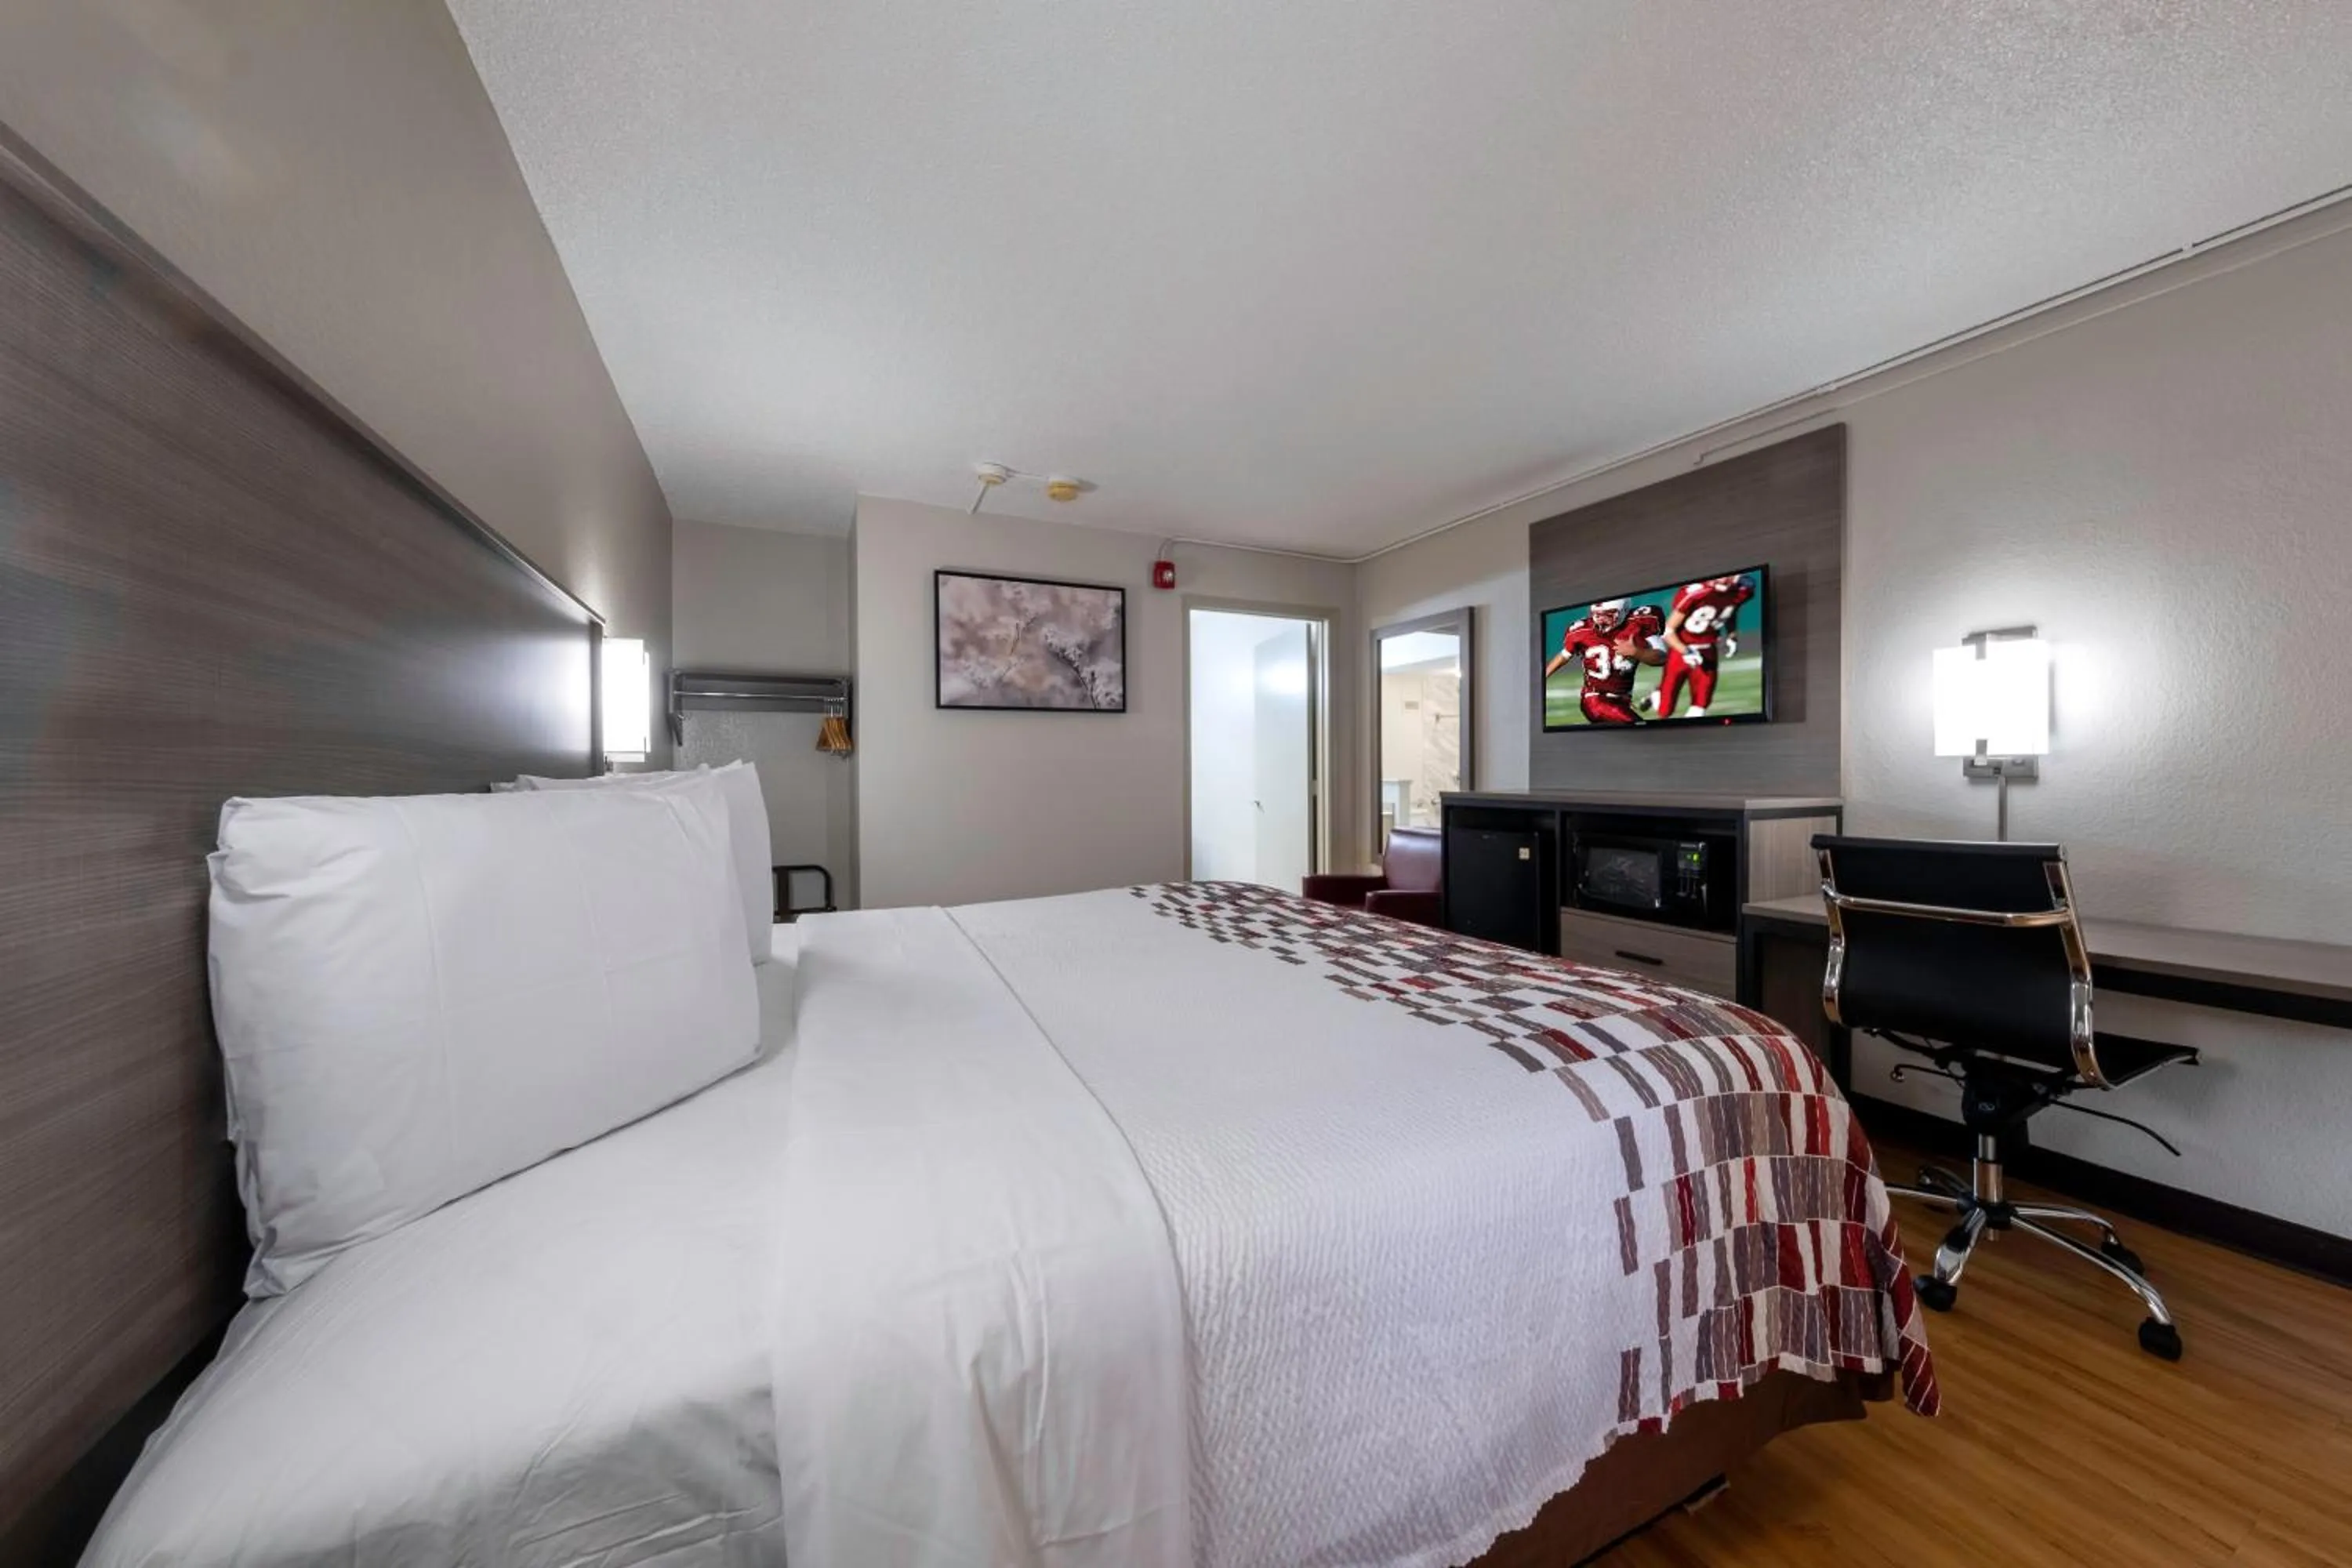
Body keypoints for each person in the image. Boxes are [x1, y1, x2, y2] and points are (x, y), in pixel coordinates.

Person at [1544, 598, 1666, 724]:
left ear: (1623, 611)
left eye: (1607, 615)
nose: (1600, 620)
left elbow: (1661, 658)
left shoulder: (1640, 623)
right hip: (1595, 700)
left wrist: (1636, 652)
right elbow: (1564, 655)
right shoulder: (1581, 631)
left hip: (1622, 701)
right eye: (1597, 614)